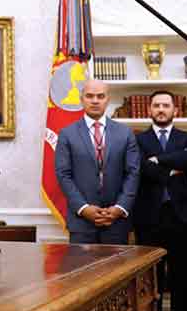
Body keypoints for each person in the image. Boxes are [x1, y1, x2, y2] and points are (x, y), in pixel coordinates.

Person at [133, 90, 187, 311]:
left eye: (166, 105)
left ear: (175, 110)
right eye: (156, 105)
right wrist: (172, 168)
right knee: (151, 285)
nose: (161, 109)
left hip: (182, 218)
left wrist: (158, 160)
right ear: (149, 110)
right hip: (149, 219)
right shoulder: (138, 140)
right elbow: (142, 168)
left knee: (182, 282)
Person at [54, 79, 140, 244]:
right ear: (81, 99)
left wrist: (119, 208)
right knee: (81, 262)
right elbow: (63, 175)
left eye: (100, 96)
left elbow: (133, 173)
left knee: (117, 263)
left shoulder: (125, 133)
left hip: (116, 222)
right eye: (89, 96)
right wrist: (84, 208)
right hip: (81, 222)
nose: (95, 101)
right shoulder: (67, 134)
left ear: (108, 100)